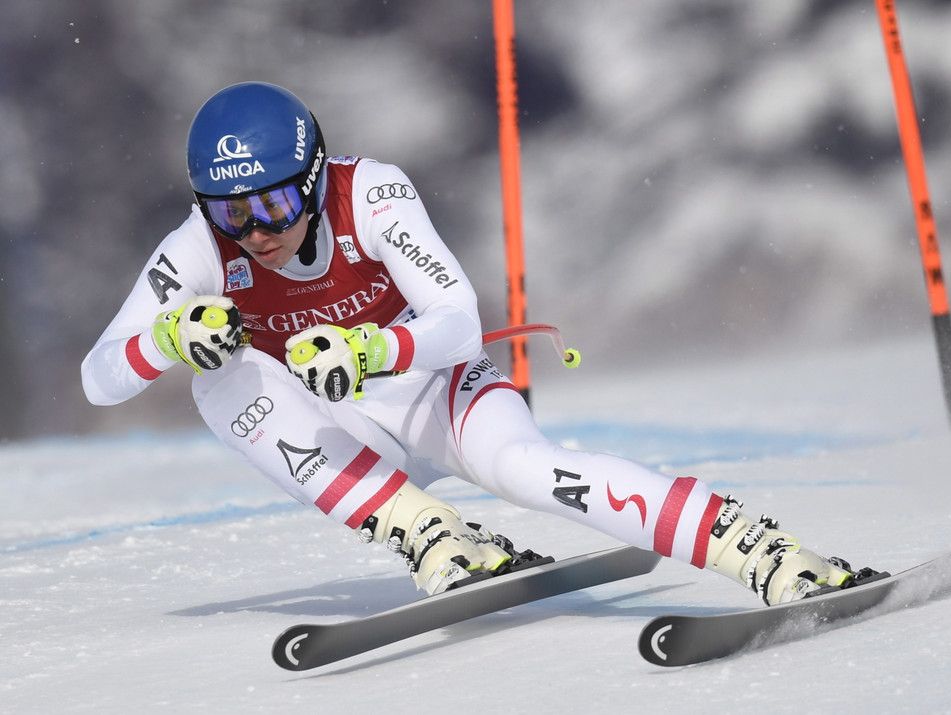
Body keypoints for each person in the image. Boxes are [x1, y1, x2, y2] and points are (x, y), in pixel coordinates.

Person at [82, 81, 862, 604]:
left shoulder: (372, 192)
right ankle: (428, 531)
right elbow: (100, 377)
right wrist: (167, 336)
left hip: (438, 393)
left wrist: (368, 350)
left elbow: (456, 317)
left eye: (277, 203)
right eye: (231, 212)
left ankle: (761, 550)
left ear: (314, 179)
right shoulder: (197, 248)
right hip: (345, 437)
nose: (256, 231)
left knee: (526, 470)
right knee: (218, 379)